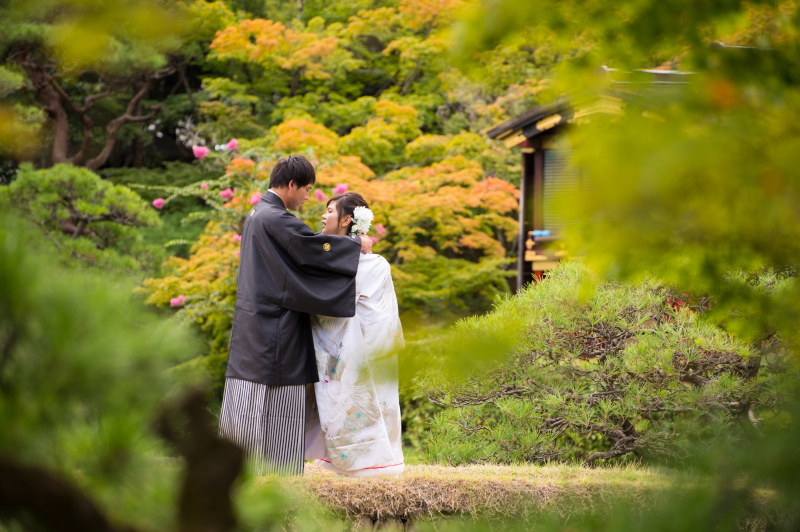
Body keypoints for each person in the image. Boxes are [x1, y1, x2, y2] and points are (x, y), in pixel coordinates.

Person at [219, 155, 373, 476]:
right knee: (277, 416)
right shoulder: (277, 219)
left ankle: (241, 475)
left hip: (254, 329)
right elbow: (311, 251)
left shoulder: (257, 214)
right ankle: (278, 481)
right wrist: (354, 246)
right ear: (291, 185)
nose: (307, 197)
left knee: (246, 414)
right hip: (276, 333)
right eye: (306, 189)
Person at [305, 192, 405, 477]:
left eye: (330, 211)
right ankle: (339, 460)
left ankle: (375, 464)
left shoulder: (370, 263)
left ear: (346, 220)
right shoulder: (339, 258)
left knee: (368, 404)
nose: (323, 216)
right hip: (351, 347)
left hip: (368, 348)